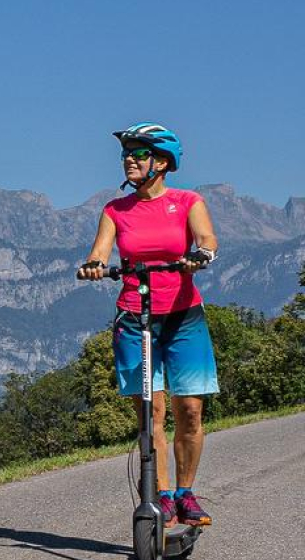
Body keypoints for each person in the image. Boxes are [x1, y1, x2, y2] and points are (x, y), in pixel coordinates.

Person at [78, 122, 218, 528]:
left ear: (162, 162)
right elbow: (100, 252)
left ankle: (185, 493)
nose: (129, 160)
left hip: (183, 316)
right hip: (135, 318)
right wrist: (94, 265)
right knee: (150, 412)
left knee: (189, 410)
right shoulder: (115, 210)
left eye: (139, 153)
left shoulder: (187, 201)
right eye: (127, 154)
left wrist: (200, 256)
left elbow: (207, 240)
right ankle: (161, 496)